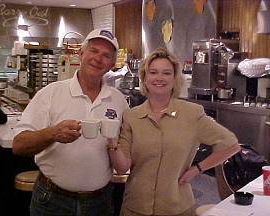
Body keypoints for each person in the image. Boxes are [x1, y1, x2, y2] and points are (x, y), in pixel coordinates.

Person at [108, 48, 240, 216]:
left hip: (177, 207)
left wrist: (198, 169)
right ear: (144, 78)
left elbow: (231, 144)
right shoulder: (131, 116)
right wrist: (111, 142)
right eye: (153, 72)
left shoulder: (192, 113)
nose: (159, 78)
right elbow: (122, 168)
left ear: (175, 79)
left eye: (167, 73)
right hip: (135, 207)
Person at [12, 29, 129, 216]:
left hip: (100, 202)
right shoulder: (51, 93)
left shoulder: (119, 101)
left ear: (112, 64)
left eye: (106, 55)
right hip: (52, 200)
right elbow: (18, 145)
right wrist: (52, 133)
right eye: (93, 50)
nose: (98, 58)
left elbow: (126, 152)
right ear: (81, 54)